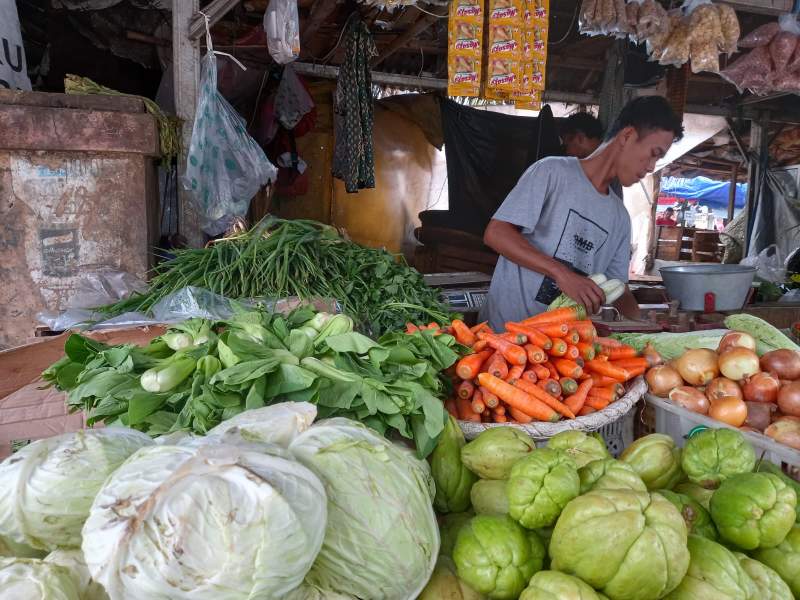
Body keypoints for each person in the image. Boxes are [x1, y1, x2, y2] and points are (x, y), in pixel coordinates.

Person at [481, 96, 684, 330]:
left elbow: (618, 288)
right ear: (627, 136)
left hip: (559, 350)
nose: (651, 167)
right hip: (502, 337)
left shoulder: (620, 218)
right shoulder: (551, 172)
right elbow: (496, 233)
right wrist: (562, 274)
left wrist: (641, 326)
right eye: (653, 153)